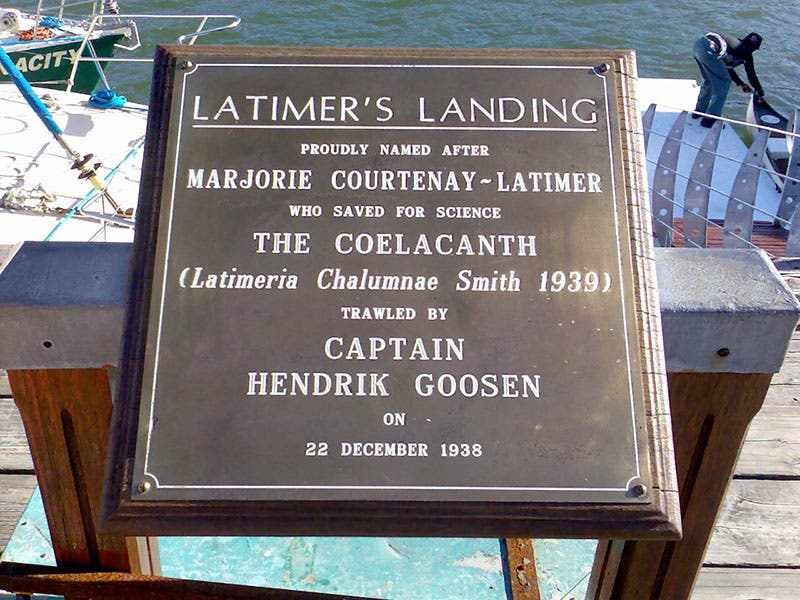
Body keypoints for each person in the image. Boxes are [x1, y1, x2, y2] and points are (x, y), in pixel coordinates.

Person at [692, 31, 764, 127]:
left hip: (699, 44)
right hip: (710, 49)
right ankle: (710, 119)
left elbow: (726, 67)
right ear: (755, 48)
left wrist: (741, 84)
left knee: (709, 81)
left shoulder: (737, 44)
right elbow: (750, 74)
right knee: (724, 82)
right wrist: (759, 89)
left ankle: (699, 112)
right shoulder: (745, 51)